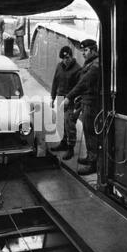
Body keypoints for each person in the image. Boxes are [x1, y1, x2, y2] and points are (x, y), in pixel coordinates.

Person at [62, 39, 100, 175]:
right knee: (87, 130)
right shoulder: (90, 63)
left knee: (90, 133)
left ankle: (93, 164)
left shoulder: (95, 65)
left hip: (91, 103)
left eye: (85, 50)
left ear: (93, 50)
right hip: (86, 101)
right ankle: (91, 157)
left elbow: (83, 83)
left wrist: (69, 97)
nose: (83, 53)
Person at [50, 46, 82, 160]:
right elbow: (55, 82)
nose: (65, 60)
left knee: (69, 124)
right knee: (61, 123)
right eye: (63, 58)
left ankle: (70, 148)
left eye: (67, 58)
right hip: (60, 98)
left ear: (71, 56)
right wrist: (52, 98)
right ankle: (63, 142)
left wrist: (76, 103)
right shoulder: (59, 66)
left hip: (70, 100)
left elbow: (79, 88)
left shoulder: (78, 69)